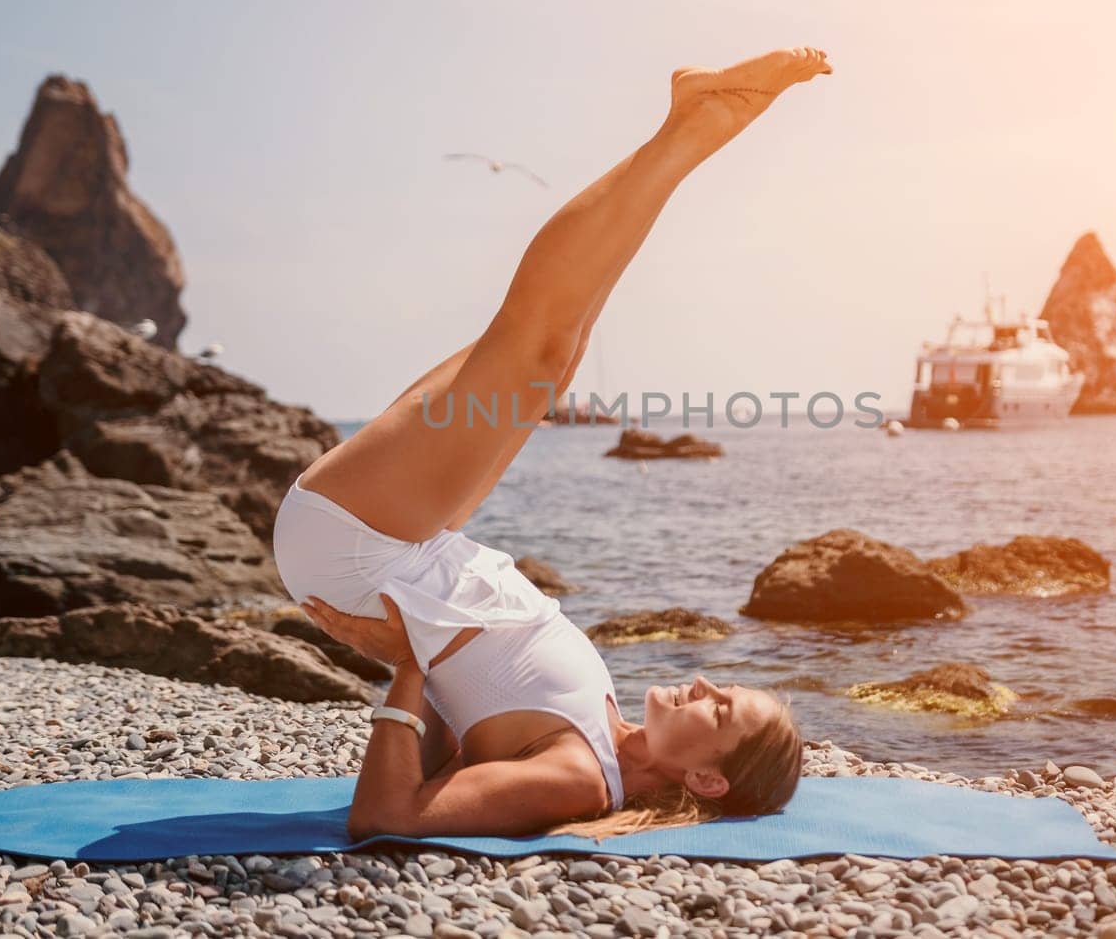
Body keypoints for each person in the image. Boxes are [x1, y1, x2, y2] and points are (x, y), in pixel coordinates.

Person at [272, 47, 832, 840]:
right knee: (554, 357)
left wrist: (407, 662)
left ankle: (692, 128)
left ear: (706, 778)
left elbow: (386, 819)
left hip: (364, 550)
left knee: (535, 348)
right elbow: (464, 714)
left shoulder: (577, 778)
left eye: (722, 707)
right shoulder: (603, 726)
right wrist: (426, 669)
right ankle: (690, 125)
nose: (705, 682)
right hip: (405, 544)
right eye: (723, 689)